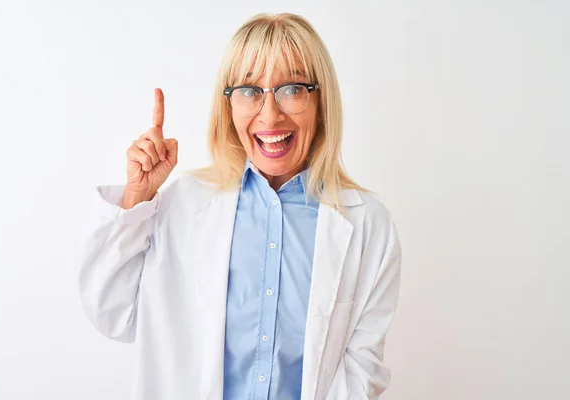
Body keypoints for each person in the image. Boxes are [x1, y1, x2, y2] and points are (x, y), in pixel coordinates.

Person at [78, 12, 402, 400]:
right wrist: (136, 199)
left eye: (293, 89)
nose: (270, 114)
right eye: (250, 90)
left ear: (320, 99)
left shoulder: (368, 226)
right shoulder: (184, 205)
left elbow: (360, 371)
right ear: (228, 105)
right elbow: (112, 313)